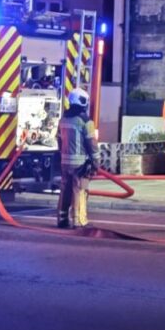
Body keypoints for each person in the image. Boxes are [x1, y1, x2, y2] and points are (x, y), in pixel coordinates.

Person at [56, 89, 98, 229]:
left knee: (65, 190)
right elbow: (92, 144)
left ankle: (62, 219)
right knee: (79, 190)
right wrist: (96, 162)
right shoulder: (85, 121)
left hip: (64, 162)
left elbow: (59, 140)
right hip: (80, 164)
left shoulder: (63, 119)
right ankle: (79, 220)